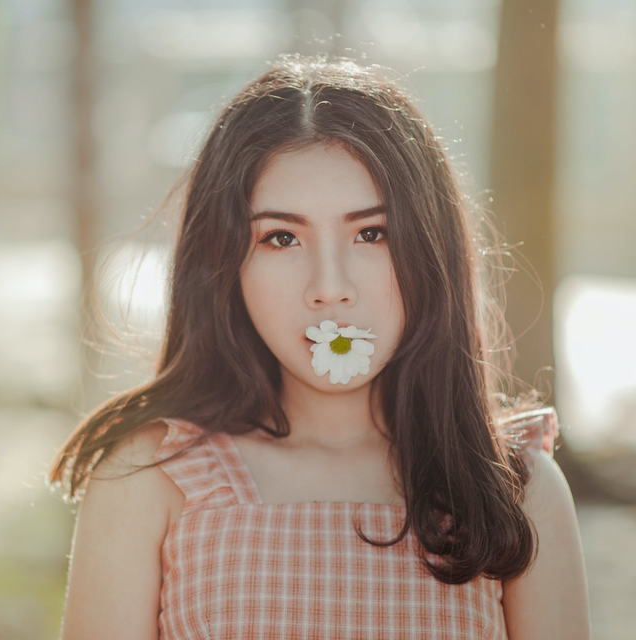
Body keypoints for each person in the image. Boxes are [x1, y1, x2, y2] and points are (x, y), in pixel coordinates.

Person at [46, 52, 591, 639]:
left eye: (371, 233)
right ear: (224, 264)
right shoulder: (150, 478)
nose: (330, 289)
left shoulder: (517, 492)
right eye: (281, 238)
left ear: (431, 252)